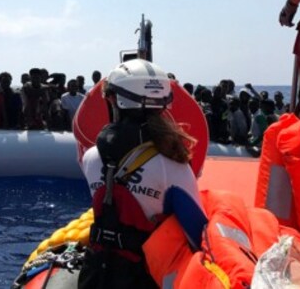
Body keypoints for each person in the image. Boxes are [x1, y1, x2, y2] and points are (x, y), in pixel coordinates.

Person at [79, 59, 206, 288]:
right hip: (146, 277)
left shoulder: (90, 158)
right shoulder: (173, 165)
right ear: (164, 105)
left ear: (112, 101)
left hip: (96, 273)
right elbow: (198, 234)